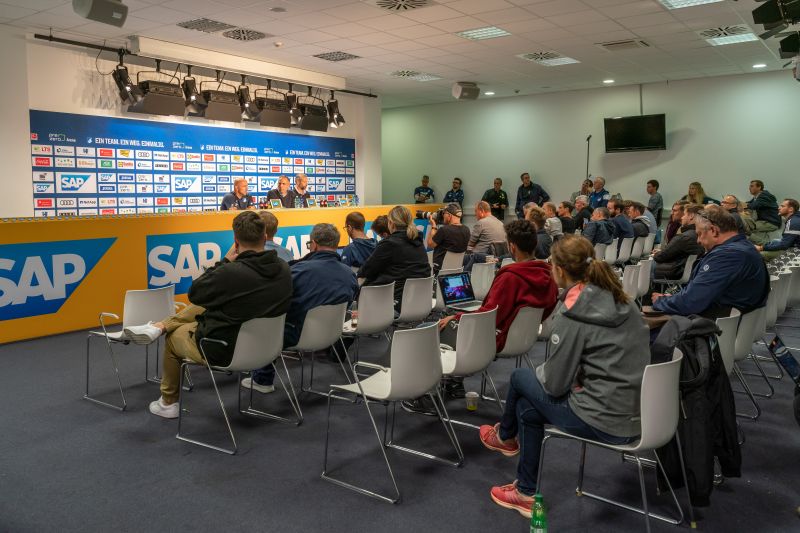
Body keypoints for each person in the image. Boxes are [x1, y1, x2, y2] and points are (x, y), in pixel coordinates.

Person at [479, 234, 648, 518]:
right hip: (640, 413)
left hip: (603, 419)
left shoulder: (573, 315)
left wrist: (561, 375)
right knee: (527, 408)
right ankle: (524, 491)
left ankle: (506, 439)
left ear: (558, 269)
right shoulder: (622, 300)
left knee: (521, 377)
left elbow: (555, 385)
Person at [123, 211, 292, 418]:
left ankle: (168, 403)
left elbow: (196, 293)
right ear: (265, 238)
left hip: (226, 349)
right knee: (205, 308)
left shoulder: (231, 272)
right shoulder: (284, 268)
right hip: (269, 348)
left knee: (173, 338)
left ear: (235, 241)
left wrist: (224, 262)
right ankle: (160, 325)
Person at [411, 219, 558, 412]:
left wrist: (455, 318)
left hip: (495, 337)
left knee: (425, 329)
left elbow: (488, 316)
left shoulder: (510, 277)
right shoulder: (548, 275)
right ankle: (454, 384)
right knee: (458, 321)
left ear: (511, 246)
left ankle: (425, 396)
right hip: (522, 338)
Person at [243, 223, 358, 393]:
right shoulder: (349, 274)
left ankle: (263, 379)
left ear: (314, 244)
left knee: (266, 323)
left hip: (298, 335)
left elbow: (276, 301)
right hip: (332, 334)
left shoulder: (297, 271)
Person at [652, 205, 769, 320]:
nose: (698, 240)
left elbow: (691, 302)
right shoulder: (745, 247)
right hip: (727, 321)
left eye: (699, 234)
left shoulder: (727, 256)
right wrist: (676, 298)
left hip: (713, 326)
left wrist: (661, 301)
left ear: (713, 230)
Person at [358, 206, 431, 311]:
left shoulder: (389, 244)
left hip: (395, 302)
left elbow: (366, 271)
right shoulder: (418, 241)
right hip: (420, 300)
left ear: (391, 223)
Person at [651, 203, 704, 279]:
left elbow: (661, 257)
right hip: (689, 272)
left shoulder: (684, 237)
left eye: (685, 214)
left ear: (691, 216)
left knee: (647, 264)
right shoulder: (700, 234)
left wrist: (656, 254)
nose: (682, 217)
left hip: (675, 272)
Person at [427, 203, 470, 273]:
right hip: (457, 269)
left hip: (439, 269)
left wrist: (433, 226)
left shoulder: (444, 230)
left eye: (444, 213)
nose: (443, 216)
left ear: (449, 215)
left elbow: (430, 244)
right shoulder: (467, 230)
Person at [746, 179, 781, 245]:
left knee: (746, 228)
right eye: (750, 186)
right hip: (764, 221)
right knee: (747, 223)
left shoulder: (764, 196)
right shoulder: (757, 196)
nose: (749, 188)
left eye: (752, 186)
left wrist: (739, 205)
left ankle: (765, 244)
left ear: (759, 187)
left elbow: (754, 205)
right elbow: (749, 203)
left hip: (771, 222)